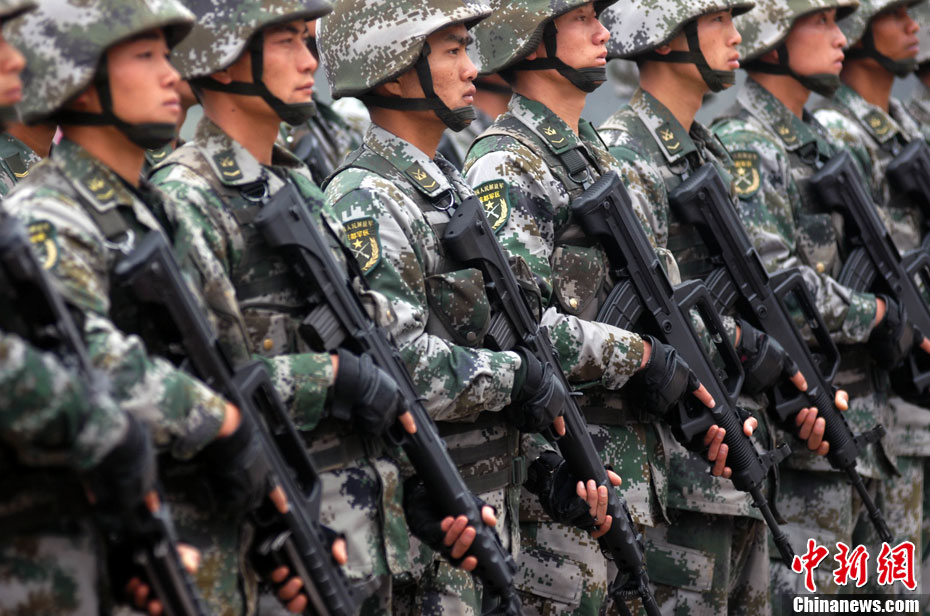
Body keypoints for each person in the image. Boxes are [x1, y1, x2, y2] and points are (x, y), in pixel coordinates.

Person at [462, 0, 762, 612]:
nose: (603, 32)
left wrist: (708, 406)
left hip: (629, 480)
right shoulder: (506, 164)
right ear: (531, 41)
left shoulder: (592, 157)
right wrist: (642, 355)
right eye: (580, 19)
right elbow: (519, 331)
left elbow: (663, 302)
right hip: (564, 488)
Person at [318, 1, 611, 612]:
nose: (473, 68)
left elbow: (495, 337)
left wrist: (546, 468)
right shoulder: (367, 199)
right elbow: (402, 369)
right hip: (435, 539)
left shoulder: (446, 187)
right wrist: (519, 377)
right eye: (452, 51)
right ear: (394, 74)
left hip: (492, 517)